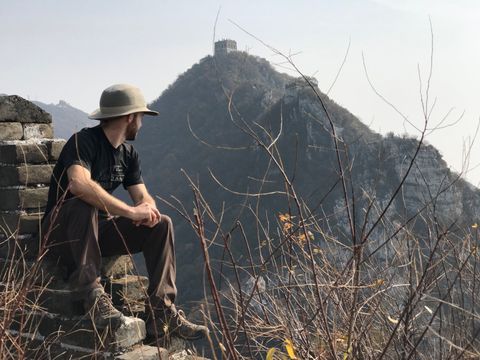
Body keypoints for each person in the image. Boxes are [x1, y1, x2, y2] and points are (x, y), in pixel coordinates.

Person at [41, 84, 208, 340]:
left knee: (162, 224)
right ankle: (92, 297)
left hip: (97, 234)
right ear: (130, 117)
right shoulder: (83, 141)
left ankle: (161, 314)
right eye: (140, 117)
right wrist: (131, 212)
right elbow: (78, 184)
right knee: (84, 202)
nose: (141, 124)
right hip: (62, 234)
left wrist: (147, 210)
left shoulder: (128, 154)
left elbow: (142, 196)